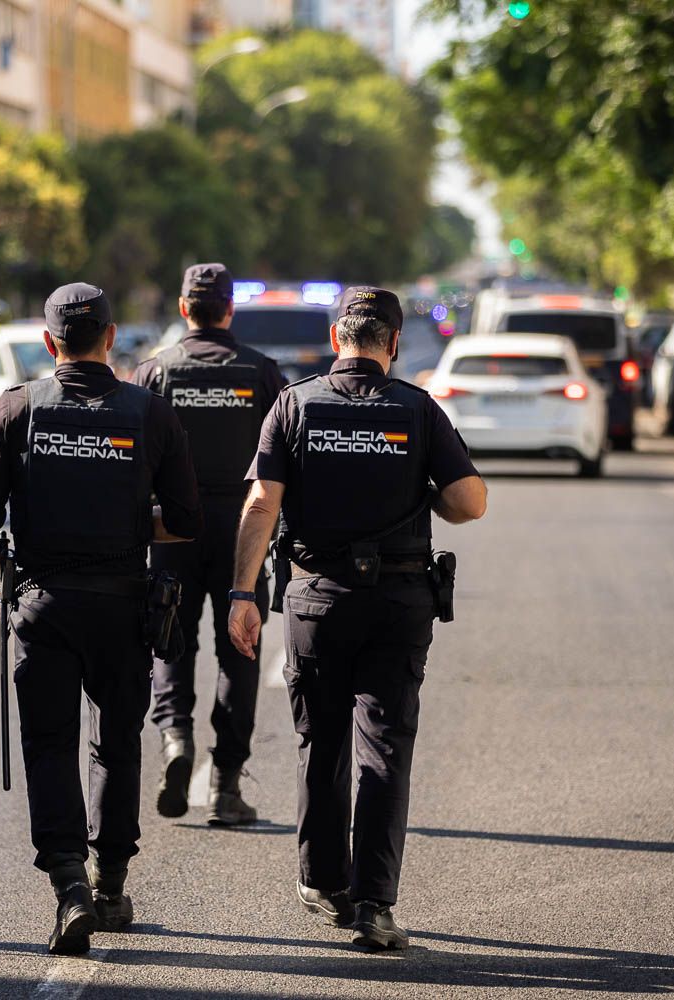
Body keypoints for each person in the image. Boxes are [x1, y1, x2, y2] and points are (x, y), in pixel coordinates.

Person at [227, 285, 487, 951]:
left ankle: (323, 883)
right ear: (393, 343)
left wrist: (242, 594)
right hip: (399, 602)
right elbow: (470, 502)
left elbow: (261, 504)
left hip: (318, 598)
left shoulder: (295, 404)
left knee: (322, 742)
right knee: (385, 747)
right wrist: (425, 491)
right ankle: (375, 907)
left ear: (336, 339)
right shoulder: (417, 409)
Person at [0, 282, 201, 955]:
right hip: (123, 604)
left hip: (42, 604)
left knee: (48, 744)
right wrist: (131, 522)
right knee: (116, 743)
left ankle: (69, 884)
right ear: (111, 336)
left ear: (49, 342)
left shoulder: (17, 408)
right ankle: (111, 884)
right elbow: (186, 521)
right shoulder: (149, 412)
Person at [131, 263, 286, 826]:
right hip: (243, 530)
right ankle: (225, 785)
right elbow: (284, 460)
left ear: (183, 309)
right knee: (240, 649)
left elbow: (132, 456)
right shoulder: (261, 373)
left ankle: (176, 739)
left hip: (171, 529)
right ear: (229, 309)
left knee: (170, 641)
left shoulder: (154, 372)